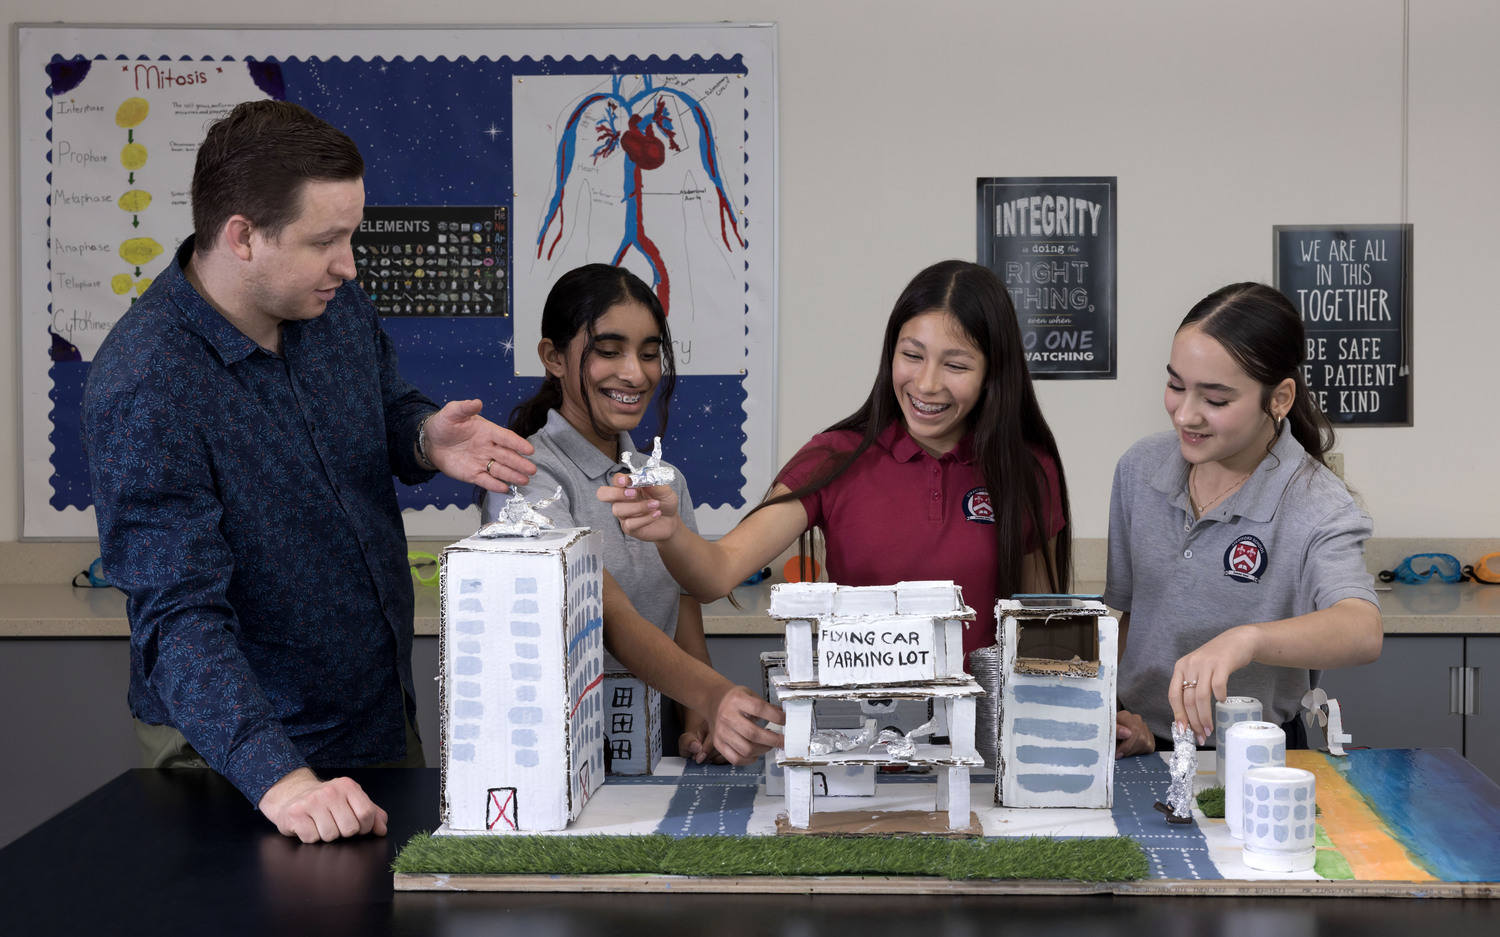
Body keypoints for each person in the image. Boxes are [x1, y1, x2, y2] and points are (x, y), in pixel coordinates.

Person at [81, 100, 538, 843]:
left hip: (375, 717)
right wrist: (283, 779)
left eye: (351, 234)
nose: (349, 264)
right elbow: (176, 620)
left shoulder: (334, 306)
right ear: (242, 237)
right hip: (244, 762)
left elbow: (383, 406)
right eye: (326, 239)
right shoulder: (148, 383)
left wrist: (423, 437)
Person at [602, 259, 1072, 662]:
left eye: (956, 365)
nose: (926, 384)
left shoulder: (1026, 469)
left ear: (993, 374)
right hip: (864, 737)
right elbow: (717, 572)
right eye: (912, 355)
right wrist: (669, 531)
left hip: (984, 743)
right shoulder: (835, 457)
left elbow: (1044, 633)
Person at [485, 264, 783, 765]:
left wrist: (697, 716)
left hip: (651, 739)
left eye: (649, 354)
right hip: (556, 746)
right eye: (608, 350)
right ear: (554, 357)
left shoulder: (664, 479)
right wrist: (712, 693)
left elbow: (682, 603)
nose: (635, 373)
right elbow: (607, 615)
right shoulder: (522, 475)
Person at [1109, 282, 1383, 758]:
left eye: (1215, 400)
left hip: (1254, 752)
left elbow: (1362, 629)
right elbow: (1130, 620)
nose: (1186, 415)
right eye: (1176, 386)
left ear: (1279, 399)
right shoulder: (1140, 469)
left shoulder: (1317, 503)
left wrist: (1246, 640)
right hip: (1141, 742)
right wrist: (1112, 713)